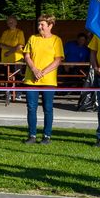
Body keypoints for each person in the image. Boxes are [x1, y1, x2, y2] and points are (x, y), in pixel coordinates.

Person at [21, 14, 63, 144]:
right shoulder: (33, 38)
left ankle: (47, 136)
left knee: (48, 108)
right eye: (39, 24)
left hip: (48, 81)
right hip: (31, 80)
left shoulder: (56, 40)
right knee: (31, 107)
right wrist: (34, 69)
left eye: (42, 25)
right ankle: (32, 135)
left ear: (50, 25)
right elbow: (27, 56)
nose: (39, 27)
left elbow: (58, 60)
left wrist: (43, 72)